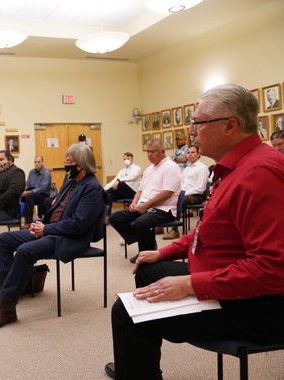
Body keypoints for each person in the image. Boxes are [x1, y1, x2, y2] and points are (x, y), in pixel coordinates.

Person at [104, 83, 284, 380]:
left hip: (259, 304)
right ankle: (135, 365)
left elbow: (272, 269)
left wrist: (190, 284)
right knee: (148, 271)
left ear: (230, 126)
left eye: (198, 122)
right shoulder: (234, 167)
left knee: (126, 313)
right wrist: (163, 251)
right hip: (226, 281)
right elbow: (207, 231)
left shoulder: (260, 174)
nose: (191, 130)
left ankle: (133, 369)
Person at [0, 143, 106, 330]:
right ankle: (2, 290)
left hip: (69, 238)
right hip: (51, 229)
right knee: (4, 240)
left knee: (24, 251)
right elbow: (56, 209)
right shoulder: (71, 181)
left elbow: (78, 224)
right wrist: (41, 225)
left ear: (82, 164)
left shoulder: (93, 188)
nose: (65, 164)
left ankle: (7, 309)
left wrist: (45, 229)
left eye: (69, 161)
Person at [109, 139, 181, 263]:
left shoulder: (171, 167)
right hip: (144, 207)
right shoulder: (149, 169)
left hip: (163, 209)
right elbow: (140, 190)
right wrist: (134, 203)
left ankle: (146, 254)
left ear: (163, 151)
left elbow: (167, 193)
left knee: (140, 223)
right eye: (148, 152)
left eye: (152, 152)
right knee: (115, 218)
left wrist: (145, 205)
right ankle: (148, 244)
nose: (149, 155)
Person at [162, 145, 209, 240]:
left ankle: (175, 230)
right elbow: (181, 185)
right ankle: (160, 226)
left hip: (196, 196)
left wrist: (183, 193)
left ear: (198, 154)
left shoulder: (202, 168)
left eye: (193, 152)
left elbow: (200, 188)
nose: (190, 155)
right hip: (185, 194)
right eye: (188, 152)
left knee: (179, 199)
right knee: (166, 196)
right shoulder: (186, 169)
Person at [104, 152, 142, 217]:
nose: (126, 160)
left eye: (128, 158)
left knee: (121, 184)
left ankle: (102, 195)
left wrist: (119, 180)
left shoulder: (137, 168)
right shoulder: (122, 170)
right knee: (109, 195)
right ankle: (107, 216)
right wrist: (106, 187)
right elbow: (114, 180)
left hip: (133, 193)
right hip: (123, 193)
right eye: (124, 159)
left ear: (132, 159)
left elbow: (132, 177)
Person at [21, 155, 52, 229]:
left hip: (43, 194)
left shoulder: (46, 173)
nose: (37, 163)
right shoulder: (31, 172)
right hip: (32, 192)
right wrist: (23, 191)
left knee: (29, 197)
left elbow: (43, 188)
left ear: (42, 163)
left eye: (39, 162)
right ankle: (15, 218)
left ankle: (28, 222)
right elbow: (28, 184)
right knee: (18, 196)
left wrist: (29, 192)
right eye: (35, 162)